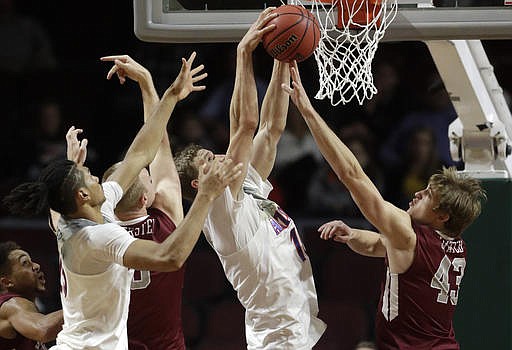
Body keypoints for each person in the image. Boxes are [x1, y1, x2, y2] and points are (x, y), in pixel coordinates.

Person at [3, 52, 243, 350]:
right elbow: (170, 257)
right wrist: (206, 195)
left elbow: (140, 153)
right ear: (83, 196)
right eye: (90, 176)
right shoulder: (95, 237)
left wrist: (170, 95)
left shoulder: (80, 215)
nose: (97, 178)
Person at [282, 60, 487, 349]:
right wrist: (353, 235)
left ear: (442, 215)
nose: (417, 195)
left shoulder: (409, 235)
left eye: (427, 195)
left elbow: (351, 175)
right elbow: (381, 245)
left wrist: (308, 111)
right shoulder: (454, 245)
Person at [173, 8, 326, 349]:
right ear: (198, 185)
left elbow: (271, 129)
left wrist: (282, 57)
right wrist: (244, 53)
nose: (220, 156)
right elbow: (244, 125)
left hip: (289, 320)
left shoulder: (245, 189)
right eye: (209, 161)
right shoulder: (220, 209)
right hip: (278, 332)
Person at [99, 56, 188, 349]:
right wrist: (149, 87)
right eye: (149, 177)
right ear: (145, 198)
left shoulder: (96, 232)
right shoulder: (166, 223)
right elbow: (159, 145)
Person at [0, 241, 63, 349]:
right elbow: (43, 329)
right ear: (7, 282)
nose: (36, 266)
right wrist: (82, 307)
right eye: (25, 263)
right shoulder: (11, 305)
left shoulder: (25, 306)